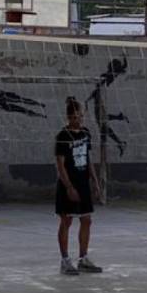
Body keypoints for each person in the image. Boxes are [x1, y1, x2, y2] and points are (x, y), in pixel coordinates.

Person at [54, 97, 102, 276]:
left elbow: (88, 159)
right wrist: (68, 187)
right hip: (69, 184)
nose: (78, 120)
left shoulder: (86, 133)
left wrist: (95, 181)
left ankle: (83, 259)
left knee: (87, 220)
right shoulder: (62, 136)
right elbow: (60, 164)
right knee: (66, 221)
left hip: (83, 184)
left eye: (80, 117)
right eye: (74, 117)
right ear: (68, 118)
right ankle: (65, 261)